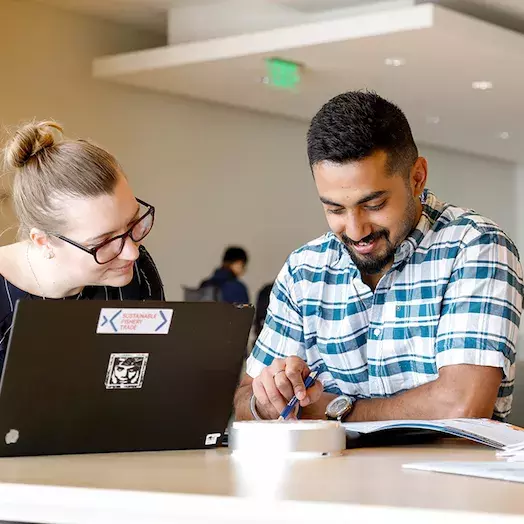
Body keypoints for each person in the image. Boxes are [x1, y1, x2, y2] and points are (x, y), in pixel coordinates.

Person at [234, 91, 523, 423]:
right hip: (326, 474)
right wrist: (268, 399)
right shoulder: (304, 270)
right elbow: (245, 399)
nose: (356, 230)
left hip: (445, 474)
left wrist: (330, 409)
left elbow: (461, 407)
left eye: (373, 205)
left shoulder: (474, 246)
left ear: (417, 178)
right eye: (335, 209)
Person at [0, 120, 164, 372]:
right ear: (43, 241)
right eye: (105, 242)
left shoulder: (136, 271)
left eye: (133, 223)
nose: (132, 252)